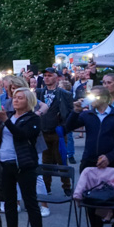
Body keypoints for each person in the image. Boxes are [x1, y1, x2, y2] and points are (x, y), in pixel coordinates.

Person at [65, 86, 114, 227]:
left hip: (113, 162)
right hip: (90, 161)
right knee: (90, 195)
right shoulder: (87, 115)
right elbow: (68, 128)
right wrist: (75, 111)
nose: (91, 99)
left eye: (94, 97)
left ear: (104, 98)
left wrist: (110, 156)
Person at [0, 87, 45, 227]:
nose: (15, 100)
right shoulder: (8, 115)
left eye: (20, 98)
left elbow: (23, 135)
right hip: (5, 162)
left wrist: (5, 121)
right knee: (9, 201)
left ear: (28, 101)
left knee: (30, 202)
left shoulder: (32, 118)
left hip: (24, 164)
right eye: (14, 97)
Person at [35, 67, 74, 196]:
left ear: (56, 78)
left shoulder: (65, 94)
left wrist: (64, 127)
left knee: (62, 160)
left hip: (58, 133)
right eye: (45, 75)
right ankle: (46, 187)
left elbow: (70, 113)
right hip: (43, 132)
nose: (47, 77)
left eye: (50, 75)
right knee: (45, 162)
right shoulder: (39, 92)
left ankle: (66, 187)